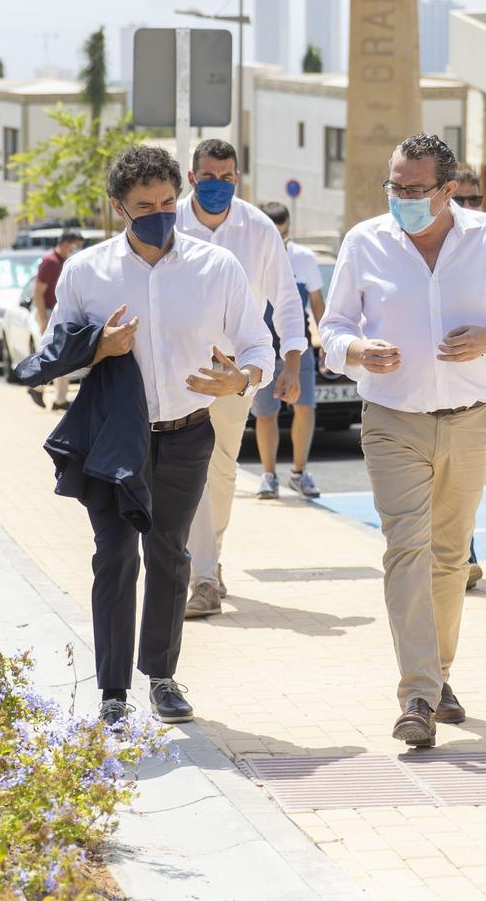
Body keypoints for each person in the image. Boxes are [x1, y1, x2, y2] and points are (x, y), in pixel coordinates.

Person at [23, 145, 273, 727]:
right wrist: (98, 348)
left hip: (188, 435)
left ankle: (161, 678)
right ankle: (113, 693)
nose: (160, 213)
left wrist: (243, 378)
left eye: (167, 201)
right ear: (119, 208)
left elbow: (256, 342)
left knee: (170, 556)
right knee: (114, 557)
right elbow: (54, 350)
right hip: (114, 441)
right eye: (145, 205)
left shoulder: (217, 268)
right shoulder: (88, 272)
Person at [320, 133, 486, 748]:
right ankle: (417, 694)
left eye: (416, 189)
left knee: (450, 557)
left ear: (448, 190)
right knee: (406, 550)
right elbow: (332, 330)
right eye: (394, 186)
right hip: (393, 420)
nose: (402, 199)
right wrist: (359, 350)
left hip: (473, 417)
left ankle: (439, 674)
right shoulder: (364, 242)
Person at [176, 139, 305, 619]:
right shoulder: (170, 224)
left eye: (226, 179)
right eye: (207, 178)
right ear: (192, 178)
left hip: (235, 371)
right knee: (184, 468)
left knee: (222, 470)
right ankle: (203, 576)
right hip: (180, 368)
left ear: (237, 179)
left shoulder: (257, 228)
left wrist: (290, 362)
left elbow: (286, 298)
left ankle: (209, 560)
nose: (217, 187)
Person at [252, 200, 325, 500]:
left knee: (305, 408)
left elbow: (318, 304)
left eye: (284, 234)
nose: (280, 240)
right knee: (265, 412)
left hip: (298, 347)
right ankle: (268, 476)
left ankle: (299, 472)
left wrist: (327, 343)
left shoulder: (304, 259)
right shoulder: (251, 255)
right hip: (260, 348)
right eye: (274, 234)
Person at [452, 169, 486, 588]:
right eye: (459, 199)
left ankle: (464, 553)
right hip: (421, 393)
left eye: (475, 198)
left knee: (464, 481)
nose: (468, 207)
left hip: (477, 390)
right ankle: (456, 556)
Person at [29, 228, 85, 410]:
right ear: (66, 244)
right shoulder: (50, 262)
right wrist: (43, 319)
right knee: (54, 354)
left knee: (63, 354)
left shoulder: (64, 262)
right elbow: (38, 292)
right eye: (74, 247)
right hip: (47, 312)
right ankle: (37, 387)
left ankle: (59, 399)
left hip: (59, 313)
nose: (75, 250)